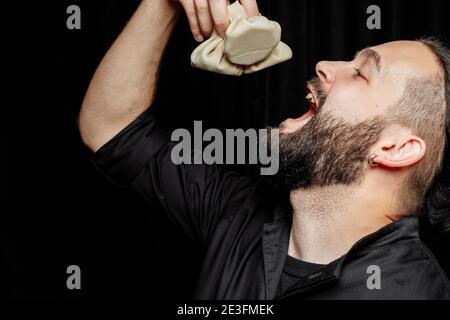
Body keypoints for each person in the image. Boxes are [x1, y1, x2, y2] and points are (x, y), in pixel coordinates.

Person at [78, 0, 450, 299]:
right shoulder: (240, 211)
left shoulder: (409, 290)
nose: (323, 65)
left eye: (361, 73)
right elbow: (111, 129)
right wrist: (163, 4)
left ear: (396, 148)